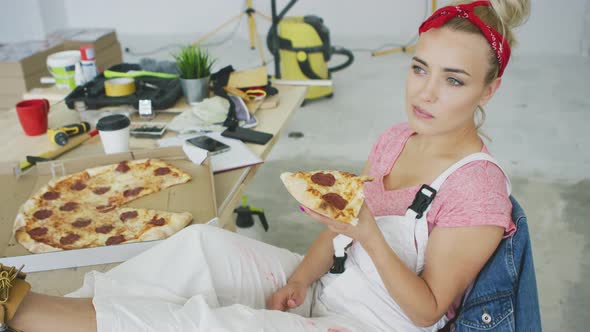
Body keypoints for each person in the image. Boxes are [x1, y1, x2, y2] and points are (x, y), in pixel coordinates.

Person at [2, 0, 531, 331]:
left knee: (216, 325)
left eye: (454, 80)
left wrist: (368, 233)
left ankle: (28, 314)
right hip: (332, 289)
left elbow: (427, 311)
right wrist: (301, 278)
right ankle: (65, 312)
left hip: (376, 325)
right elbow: (342, 225)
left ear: (491, 88)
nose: (426, 92)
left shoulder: (478, 188)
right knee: (198, 245)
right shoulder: (399, 139)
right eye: (419, 68)